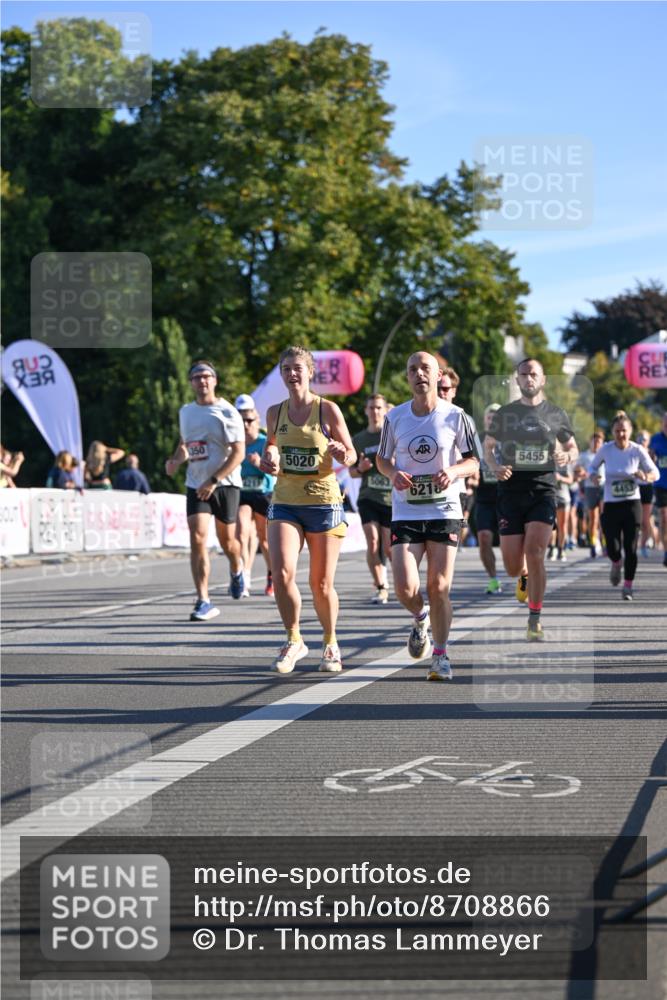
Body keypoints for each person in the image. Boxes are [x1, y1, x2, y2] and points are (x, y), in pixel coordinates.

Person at [376, 351, 478, 681]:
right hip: (406, 510)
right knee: (405, 588)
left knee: (439, 585)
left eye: (425, 368)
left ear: (437, 376)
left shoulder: (457, 416)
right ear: (407, 378)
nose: (419, 373)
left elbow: (474, 462)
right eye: (412, 369)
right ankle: (421, 618)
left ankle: (441, 655)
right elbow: (382, 459)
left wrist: (453, 470)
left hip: (444, 509)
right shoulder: (395, 418)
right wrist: (392, 474)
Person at [260, 346, 356, 674]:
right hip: (286, 500)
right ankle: (294, 639)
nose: (292, 373)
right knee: (283, 571)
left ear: (310, 372)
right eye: (286, 368)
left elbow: (352, 457)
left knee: (321, 584)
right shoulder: (275, 412)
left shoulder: (327, 410)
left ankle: (330, 643)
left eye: (298, 368)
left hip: (324, 503)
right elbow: (271, 445)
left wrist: (342, 451)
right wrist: (269, 455)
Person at [484, 357, 579, 641]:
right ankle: (522, 574)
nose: (528, 379)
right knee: (513, 566)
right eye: (523, 374)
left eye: (533, 374)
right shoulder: (505, 414)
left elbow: (573, 447)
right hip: (510, 492)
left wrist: (566, 455)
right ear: (517, 379)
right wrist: (494, 466)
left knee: (536, 552)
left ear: (542, 379)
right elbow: (489, 448)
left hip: (543, 490)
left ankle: (534, 618)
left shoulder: (556, 414)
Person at [165, 360, 245, 622]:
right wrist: (176, 459)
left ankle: (236, 567)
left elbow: (239, 453)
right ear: (191, 383)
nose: (202, 381)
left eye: (206, 376)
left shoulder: (227, 412)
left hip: (224, 484)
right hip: (195, 482)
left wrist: (214, 480)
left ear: (215, 381)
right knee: (198, 538)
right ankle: (203, 600)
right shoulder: (186, 411)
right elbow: (186, 443)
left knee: (228, 543)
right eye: (197, 377)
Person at [589, 411, 658, 600]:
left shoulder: (637, 450)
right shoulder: (606, 449)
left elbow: (655, 473)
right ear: (613, 432)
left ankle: (628, 586)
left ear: (630, 431)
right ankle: (616, 562)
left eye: (624, 431)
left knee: (631, 547)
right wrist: (594, 476)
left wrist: (645, 476)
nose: (621, 435)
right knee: (612, 546)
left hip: (632, 504)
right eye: (618, 431)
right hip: (611, 504)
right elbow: (592, 467)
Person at [350, 394, 393, 604]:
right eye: (371, 408)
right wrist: (361, 468)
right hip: (368, 496)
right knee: (373, 541)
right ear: (366, 411)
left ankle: (402, 580)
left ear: (385, 411)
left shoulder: (393, 435)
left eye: (378, 408)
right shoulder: (359, 439)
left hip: (391, 499)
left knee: (389, 547)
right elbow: (351, 472)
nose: (375, 412)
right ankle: (381, 586)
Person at [235, 393, 275, 598]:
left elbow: (275, 470)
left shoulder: (264, 441)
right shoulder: (235, 444)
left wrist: (259, 463)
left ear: (256, 421)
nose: (245, 424)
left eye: (249, 420)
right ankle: (244, 576)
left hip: (263, 492)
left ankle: (271, 575)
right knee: (241, 532)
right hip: (243, 493)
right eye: (241, 420)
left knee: (265, 539)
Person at [475, 404, 502, 594]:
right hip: (484, 498)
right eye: (489, 417)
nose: (492, 421)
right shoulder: (477, 439)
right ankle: (493, 579)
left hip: (508, 499)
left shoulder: (510, 439)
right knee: (484, 537)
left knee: (516, 544)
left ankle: (524, 573)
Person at [574, 429, 605, 557]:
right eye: (594, 441)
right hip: (590, 488)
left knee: (604, 518)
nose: (597, 444)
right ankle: (592, 543)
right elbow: (576, 469)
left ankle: (604, 544)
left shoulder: (605, 454)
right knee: (593, 518)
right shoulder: (584, 456)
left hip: (604, 487)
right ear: (590, 442)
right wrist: (581, 472)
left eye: (599, 441)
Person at [635, 430, 658, 558]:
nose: (641, 441)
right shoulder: (632, 452)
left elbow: (655, 472)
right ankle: (631, 544)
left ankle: (643, 545)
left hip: (647, 488)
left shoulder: (651, 453)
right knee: (633, 519)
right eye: (639, 438)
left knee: (645, 520)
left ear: (648, 441)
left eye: (644, 439)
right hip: (635, 488)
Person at [649, 411, 667, 567]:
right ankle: (666, 550)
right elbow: (649, 458)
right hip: (661, 484)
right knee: (664, 517)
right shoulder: (655, 439)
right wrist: (651, 458)